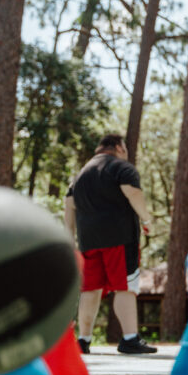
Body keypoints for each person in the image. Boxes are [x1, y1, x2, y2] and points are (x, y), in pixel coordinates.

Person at [64, 134, 157, 355]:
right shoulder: (120, 168)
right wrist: (146, 220)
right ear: (117, 147)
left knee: (90, 289)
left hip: (88, 242)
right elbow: (132, 192)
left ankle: (84, 341)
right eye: (124, 148)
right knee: (125, 287)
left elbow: (69, 209)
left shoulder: (79, 176)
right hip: (119, 238)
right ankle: (130, 339)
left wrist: (70, 240)